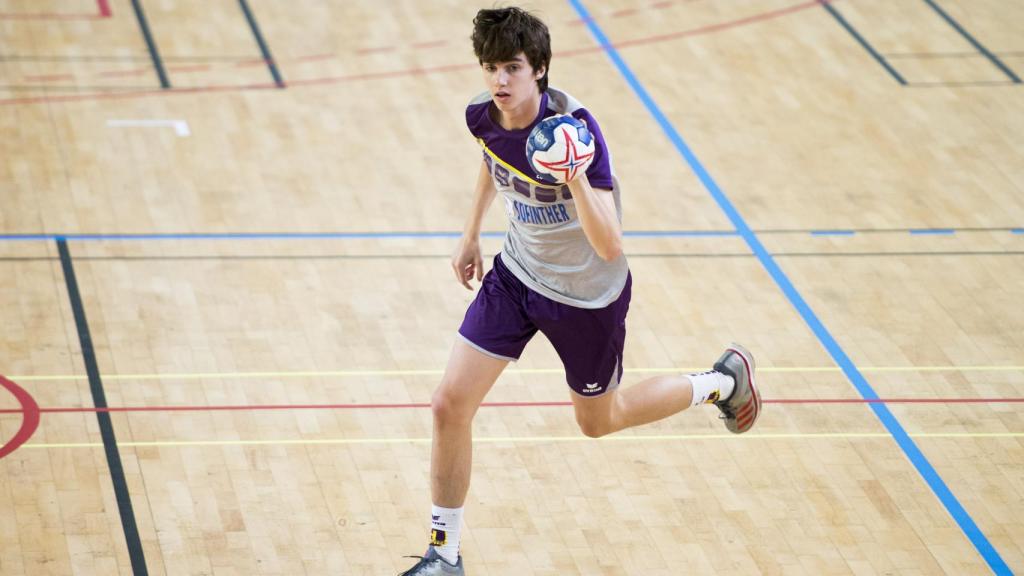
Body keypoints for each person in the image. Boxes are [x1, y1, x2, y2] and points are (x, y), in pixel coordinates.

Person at [399, 7, 760, 575]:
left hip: (586, 297)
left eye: (512, 68)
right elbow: (491, 161)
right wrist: (470, 233)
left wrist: (571, 176)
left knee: (598, 420)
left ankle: (721, 382)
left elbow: (610, 243)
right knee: (449, 404)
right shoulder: (484, 116)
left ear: (539, 69)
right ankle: (444, 554)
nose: (500, 82)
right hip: (516, 276)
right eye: (491, 68)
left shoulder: (577, 133)